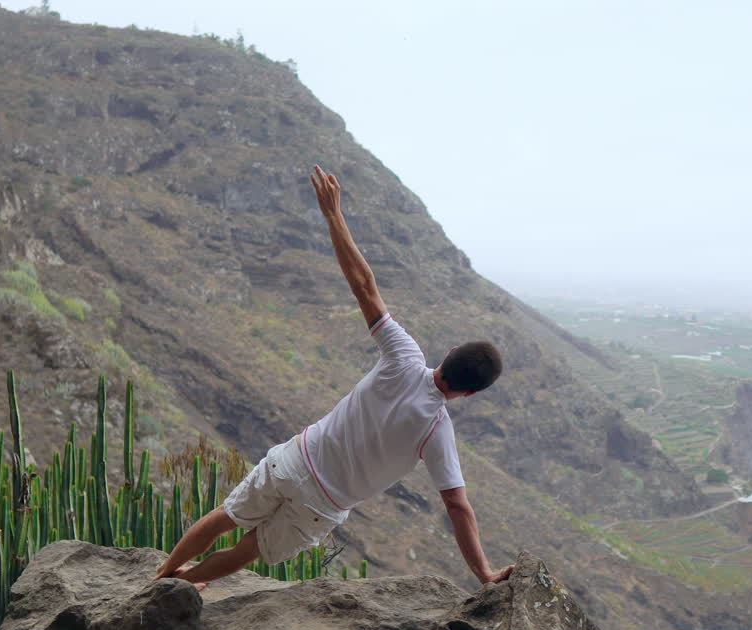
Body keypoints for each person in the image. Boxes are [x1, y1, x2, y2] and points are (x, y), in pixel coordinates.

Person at [153, 165, 512, 589]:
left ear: (450, 353)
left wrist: (333, 215)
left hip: (295, 461)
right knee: (249, 549)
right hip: (321, 505)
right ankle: (182, 583)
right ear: (469, 393)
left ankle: (161, 573)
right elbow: (457, 507)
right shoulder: (436, 431)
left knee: (226, 517)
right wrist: (484, 573)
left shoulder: (403, 354)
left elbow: (364, 285)